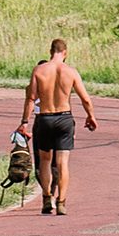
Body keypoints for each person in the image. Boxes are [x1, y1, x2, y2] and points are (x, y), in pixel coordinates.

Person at [20, 38, 96, 216]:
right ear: (66, 52)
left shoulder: (39, 70)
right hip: (64, 118)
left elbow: (31, 98)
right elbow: (85, 98)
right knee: (62, 163)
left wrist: (24, 122)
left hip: (44, 118)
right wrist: (90, 116)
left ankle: (47, 198)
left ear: (50, 51)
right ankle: (61, 201)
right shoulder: (71, 72)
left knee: (45, 160)